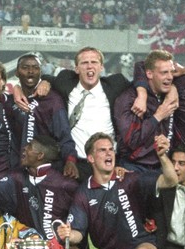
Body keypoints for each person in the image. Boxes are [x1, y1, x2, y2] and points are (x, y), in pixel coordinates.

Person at [51, 47, 130, 179]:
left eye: (94, 62)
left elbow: (143, 80)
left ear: (101, 67)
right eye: (84, 63)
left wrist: (170, 90)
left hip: (108, 165)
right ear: (76, 69)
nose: (89, 66)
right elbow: (44, 78)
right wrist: (40, 84)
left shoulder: (116, 85)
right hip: (76, 165)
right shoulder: (64, 81)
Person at [9, 53, 79, 178]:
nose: (31, 71)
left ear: (40, 72)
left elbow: (64, 136)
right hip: (17, 171)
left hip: (46, 172)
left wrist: (70, 160)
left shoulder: (53, 101)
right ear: (16, 72)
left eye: (35, 68)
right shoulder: (10, 101)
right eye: (25, 67)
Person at [114, 50, 177, 171]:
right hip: (135, 167)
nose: (170, 77)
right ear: (149, 74)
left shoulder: (166, 92)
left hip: (163, 165)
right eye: (164, 73)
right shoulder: (128, 99)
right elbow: (132, 140)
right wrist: (157, 117)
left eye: (171, 72)